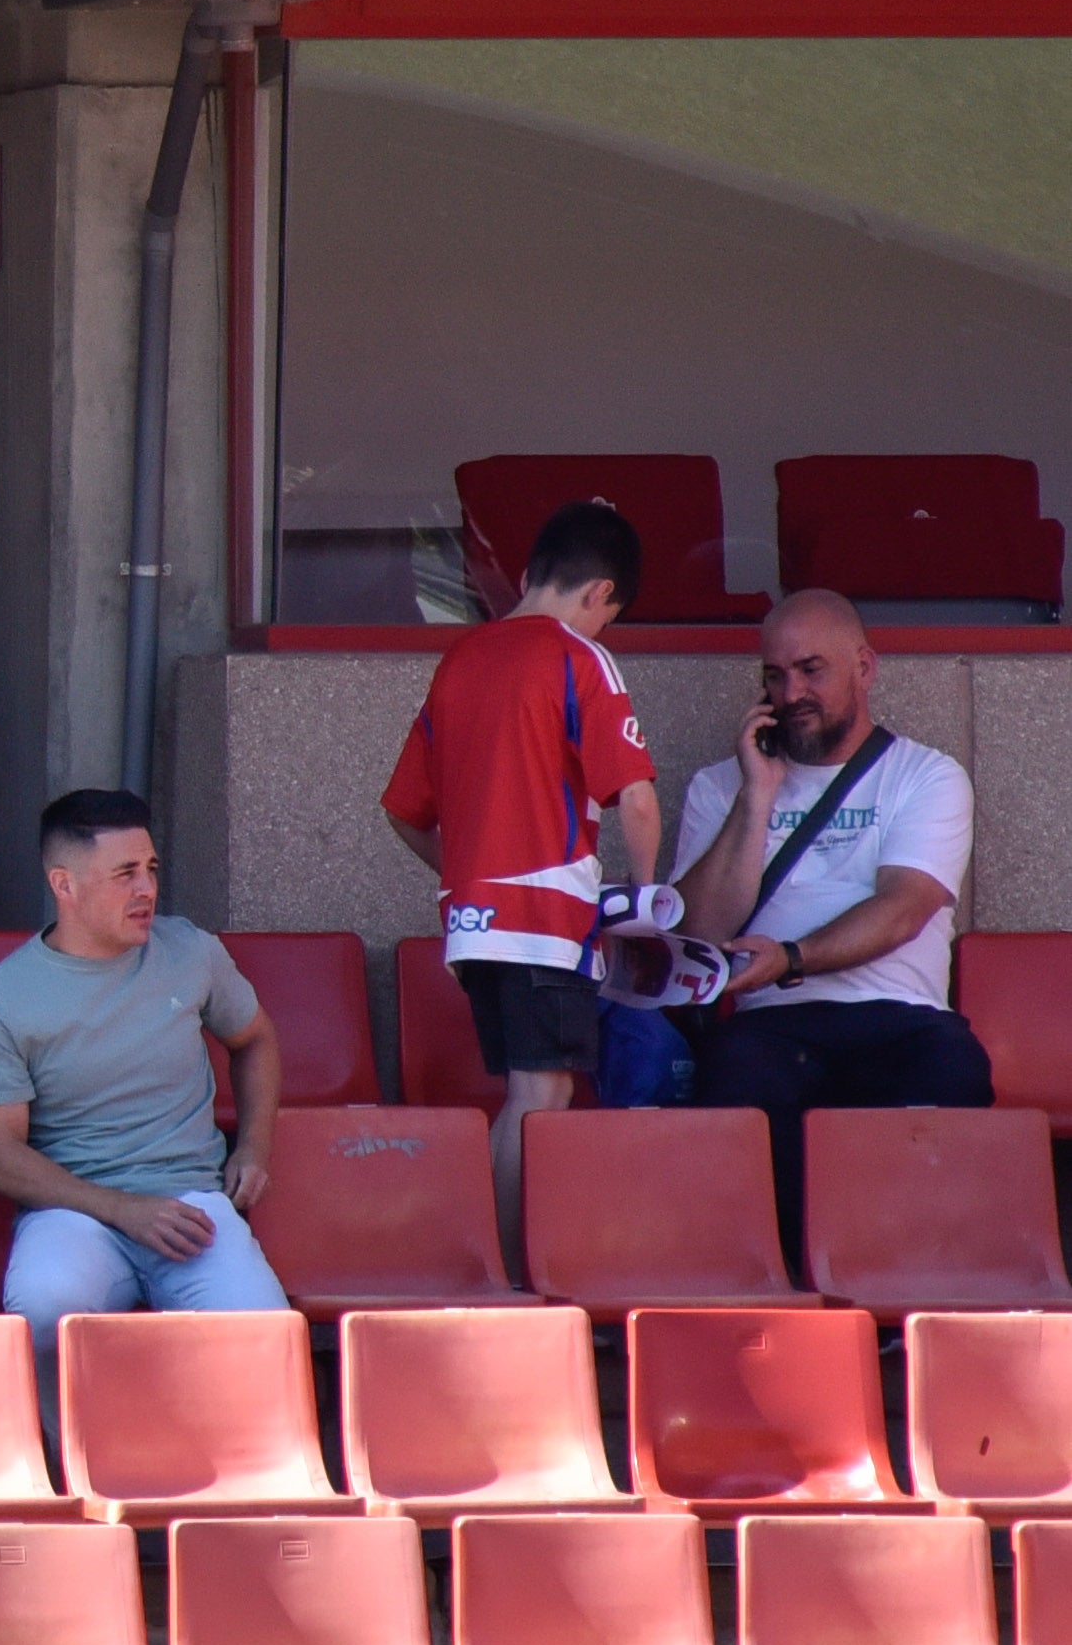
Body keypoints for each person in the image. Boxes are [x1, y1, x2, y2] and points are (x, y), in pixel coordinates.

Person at [381, 497, 661, 1272]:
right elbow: (634, 798)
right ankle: (508, 1275)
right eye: (610, 616)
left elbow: (402, 812)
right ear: (600, 593)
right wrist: (644, 903)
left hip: (471, 927)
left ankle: (504, 1270)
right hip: (545, 919)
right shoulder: (579, 657)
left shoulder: (459, 661)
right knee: (539, 1100)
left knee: (521, 1093)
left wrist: (465, 874)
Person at [670, 587, 990, 1260]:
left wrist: (790, 957)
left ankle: (905, 1290)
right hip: (769, 1026)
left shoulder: (925, 776)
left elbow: (903, 907)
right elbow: (696, 929)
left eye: (810, 670)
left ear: (863, 668)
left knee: (950, 1072)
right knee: (736, 1084)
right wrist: (756, 796)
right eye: (773, 676)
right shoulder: (717, 787)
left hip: (897, 1017)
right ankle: (788, 1296)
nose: (790, 693)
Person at [0, 788, 287, 1414]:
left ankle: (240, 1488)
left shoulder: (190, 952)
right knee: (47, 1304)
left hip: (189, 1202)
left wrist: (254, 1146)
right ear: (65, 884)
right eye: (125, 874)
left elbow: (257, 1040)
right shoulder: (3, 997)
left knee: (261, 1331)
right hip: (72, 1209)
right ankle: (66, 1476)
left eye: (152, 869)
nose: (147, 890)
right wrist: (121, 1208)